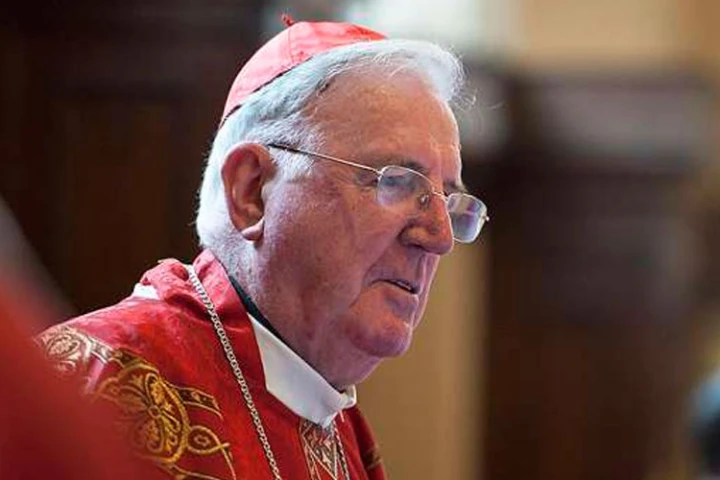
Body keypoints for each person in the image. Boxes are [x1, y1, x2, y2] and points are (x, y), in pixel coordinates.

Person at [36, 17, 489, 480]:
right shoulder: (90, 386)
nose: (440, 237)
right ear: (251, 190)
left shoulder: (341, 430)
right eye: (396, 182)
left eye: (450, 202)